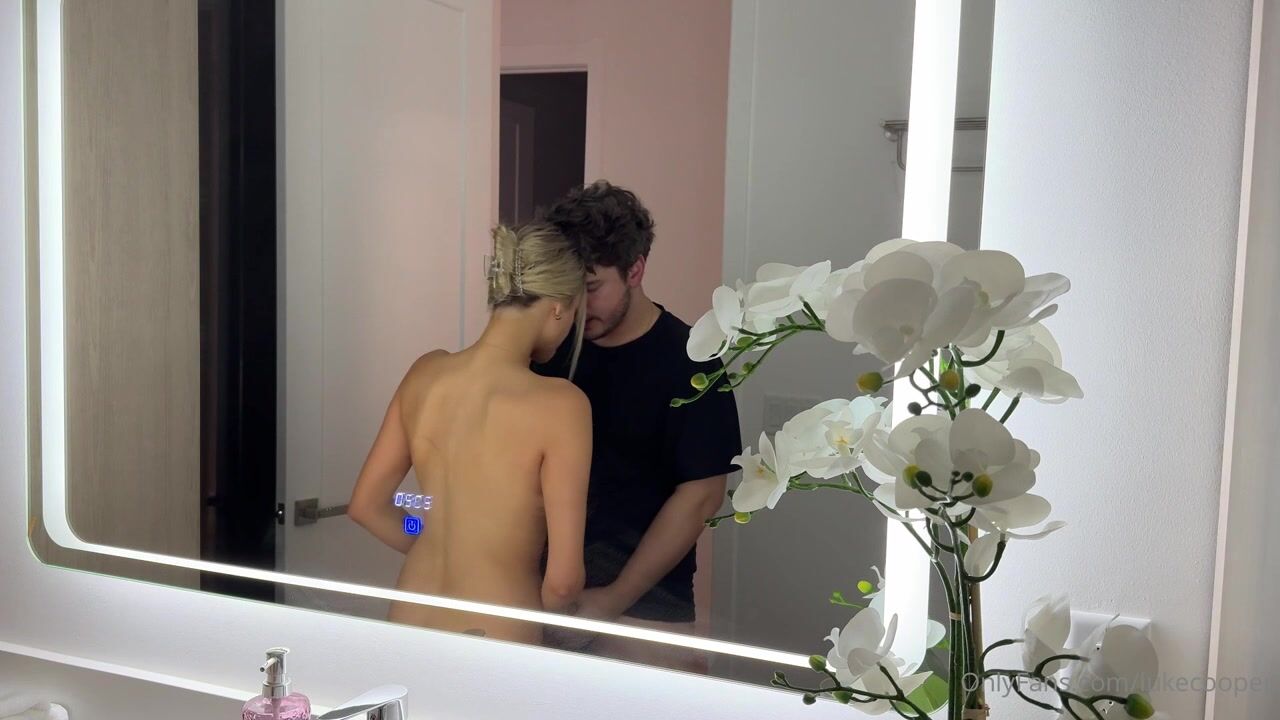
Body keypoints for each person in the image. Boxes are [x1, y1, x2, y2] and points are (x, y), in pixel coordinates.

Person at [348, 221, 592, 645]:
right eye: (574, 315)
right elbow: (562, 582)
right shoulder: (561, 405)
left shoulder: (426, 373)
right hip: (492, 632)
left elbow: (367, 506)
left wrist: (431, 535)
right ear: (559, 307)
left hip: (408, 618)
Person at [536, 181, 742, 669]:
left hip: (649, 609)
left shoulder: (691, 360)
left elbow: (701, 497)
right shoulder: (551, 352)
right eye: (568, 289)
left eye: (591, 289)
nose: (578, 305)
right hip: (544, 598)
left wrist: (612, 600)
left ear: (635, 270)